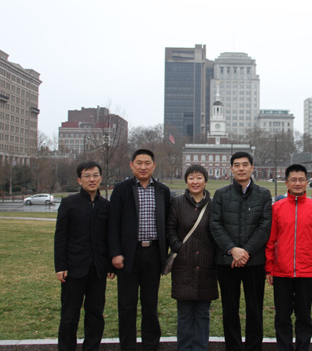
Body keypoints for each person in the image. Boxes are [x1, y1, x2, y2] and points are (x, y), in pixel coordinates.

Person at [108, 149, 171, 351]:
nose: (143, 167)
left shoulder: (162, 191)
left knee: (150, 304)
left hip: (153, 253)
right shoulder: (121, 189)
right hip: (128, 254)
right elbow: (113, 224)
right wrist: (115, 253)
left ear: (153, 165)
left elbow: (168, 224)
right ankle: (127, 346)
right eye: (139, 163)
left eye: (147, 163)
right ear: (131, 165)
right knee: (127, 305)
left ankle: (150, 345)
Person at [209, 151, 272, 351]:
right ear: (231, 169)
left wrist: (245, 252)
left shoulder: (263, 194)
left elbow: (265, 226)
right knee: (229, 309)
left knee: (254, 309)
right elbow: (215, 224)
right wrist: (232, 249)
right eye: (237, 165)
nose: (241, 168)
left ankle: (254, 347)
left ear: (252, 167)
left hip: (254, 261)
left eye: (245, 164)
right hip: (227, 261)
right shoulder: (221, 194)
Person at [265, 164, 312, 351]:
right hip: (281, 271)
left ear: (307, 182)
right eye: (293, 180)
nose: (297, 183)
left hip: (307, 272)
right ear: (286, 183)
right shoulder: (277, 208)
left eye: (301, 179)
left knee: (304, 317)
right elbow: (271, 240)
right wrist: (269, 268)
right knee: (282, 317)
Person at [54, 161, 114, 351]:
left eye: (95, 175)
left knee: (95, 313)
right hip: (73, 268)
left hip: (97, 269)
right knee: (69, 315)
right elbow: (60, 237)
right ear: (79, 180)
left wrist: (110, 265)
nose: (92, 179)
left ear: (101, 178)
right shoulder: (69, 203)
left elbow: (109, 238)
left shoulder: (106, 206)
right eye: (87, 176)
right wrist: (60, 266)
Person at [166, 164, 218, 351]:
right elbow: (170, 228)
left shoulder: (213, 204)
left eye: (199, 178)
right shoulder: (177, 202)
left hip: (206, 264)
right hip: (183, 265)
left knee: (203, 313)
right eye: (191, 178)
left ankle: (200, 347)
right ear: (186, 181)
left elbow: (218, 230)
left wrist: (212, 253)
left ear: (206, 181)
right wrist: (179, 247)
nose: (195, 182)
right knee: (185, 314)